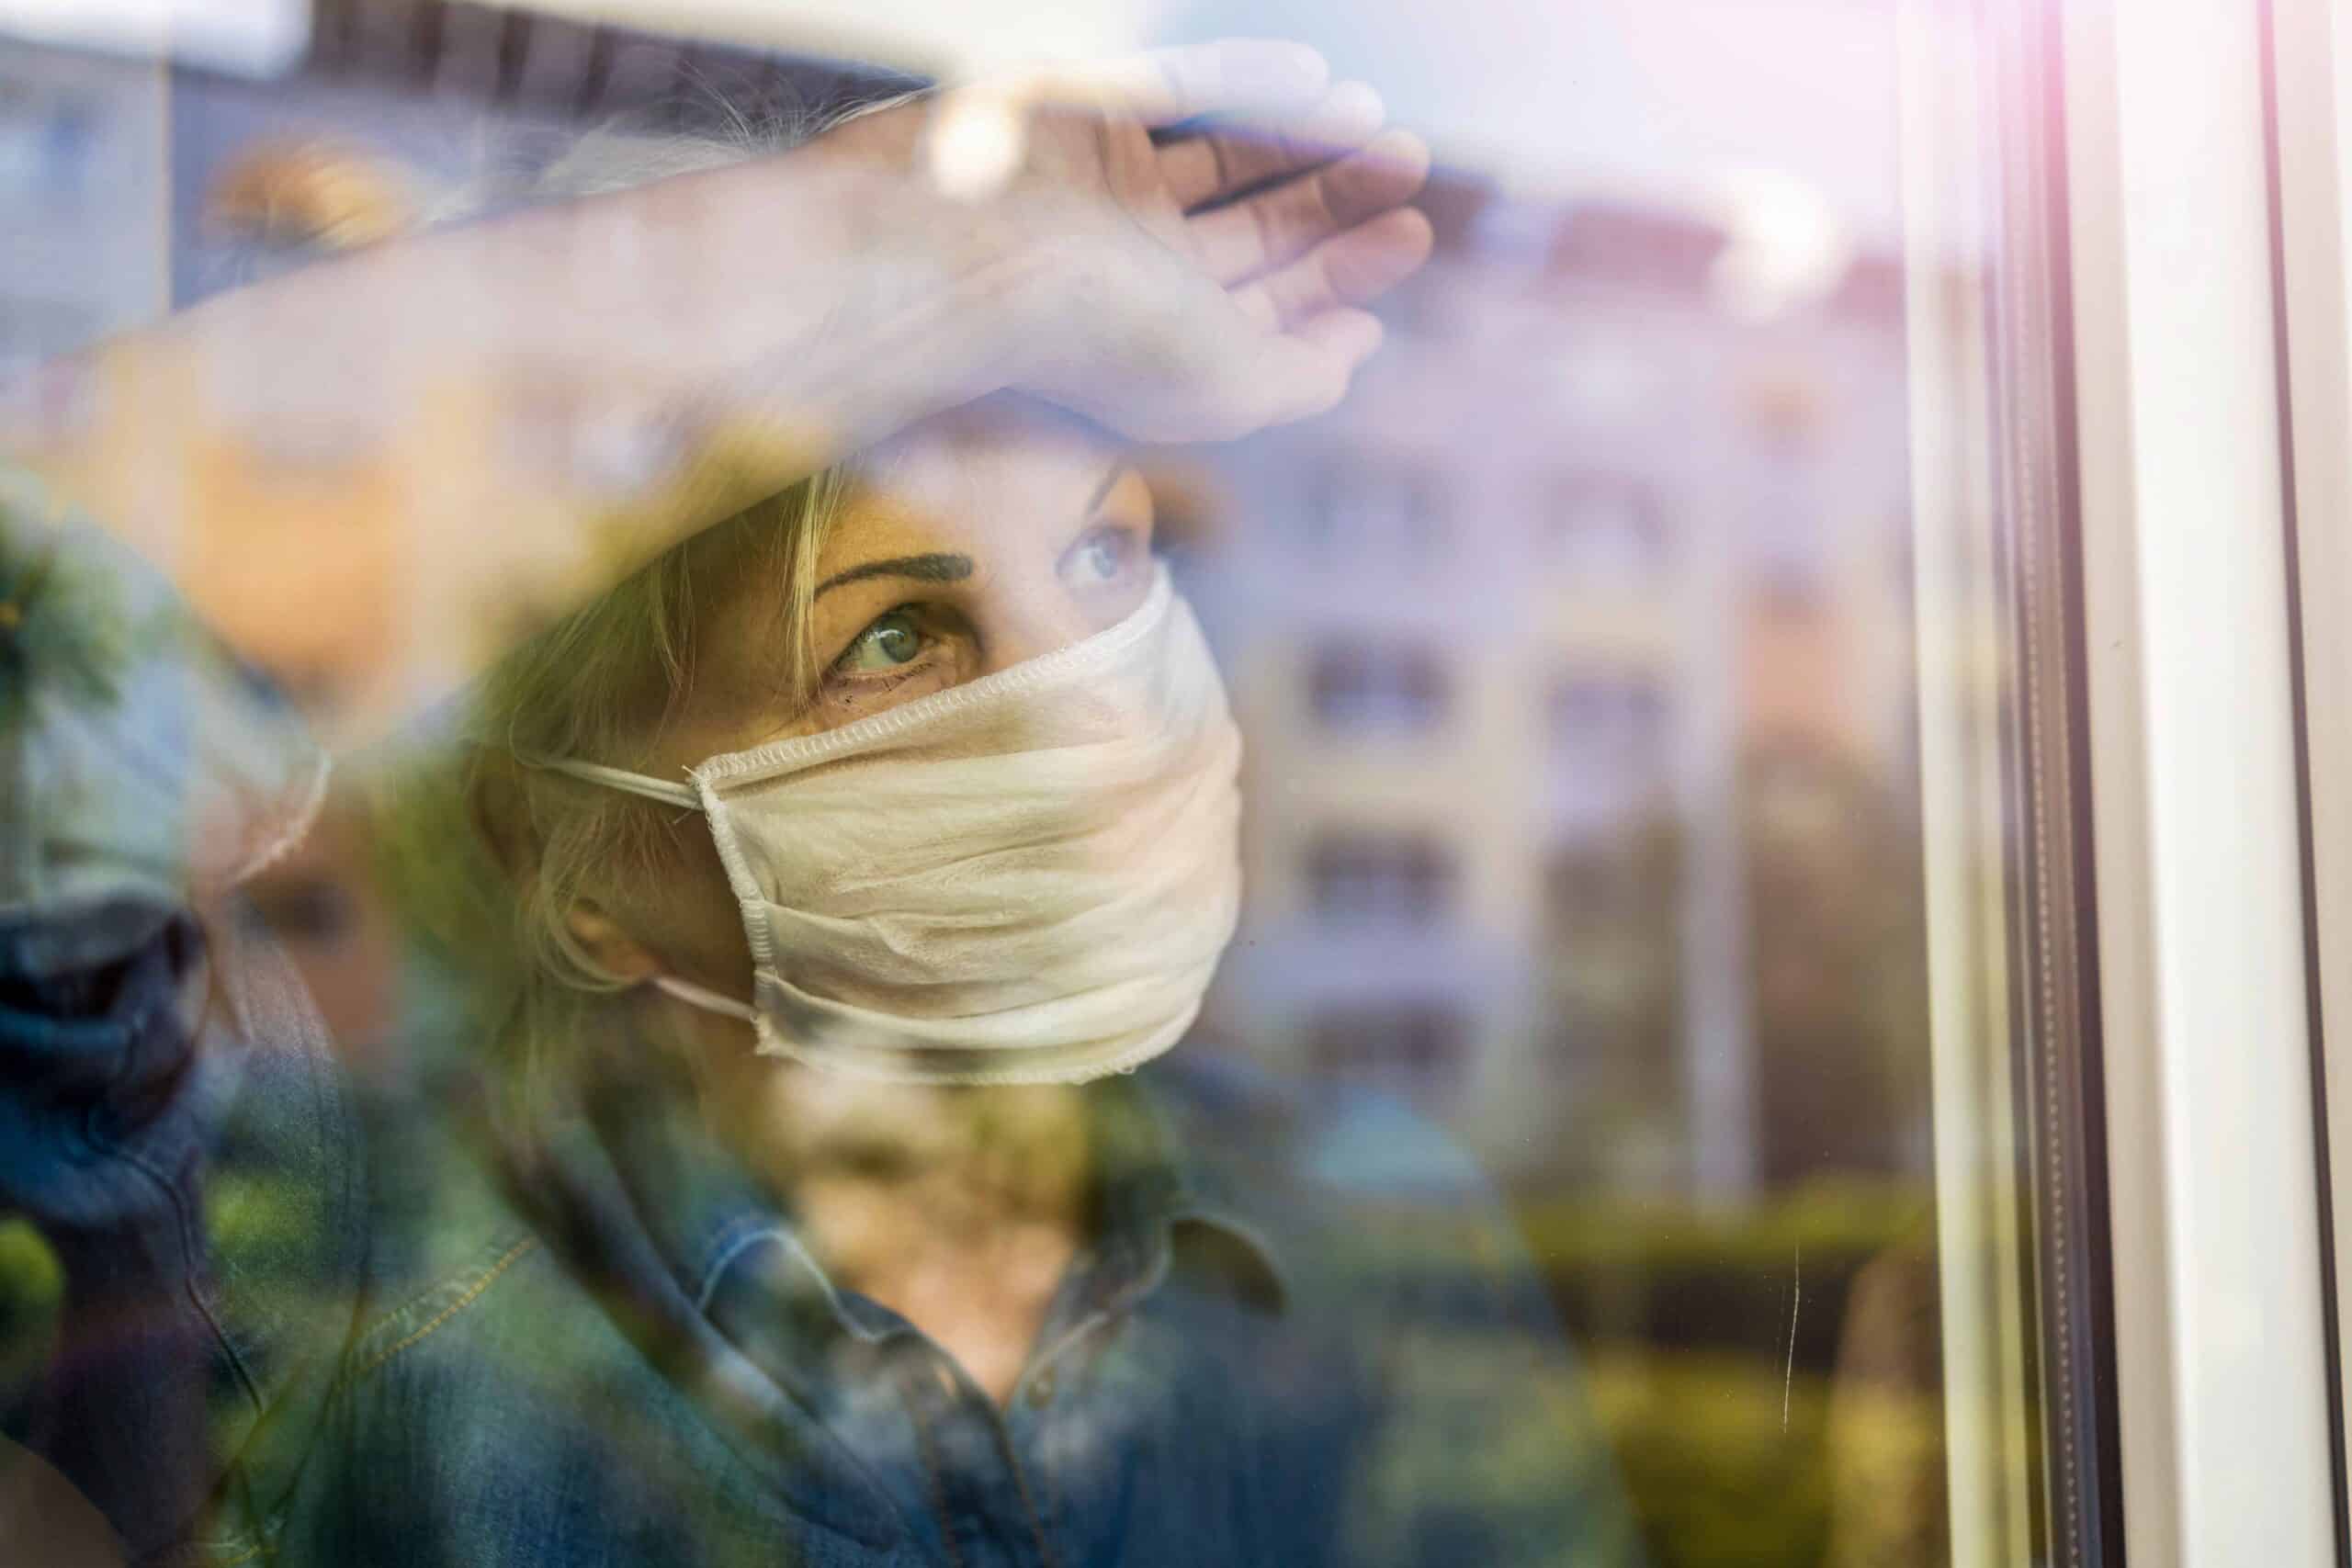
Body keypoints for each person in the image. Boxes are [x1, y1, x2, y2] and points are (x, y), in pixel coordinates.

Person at [0, 40, 1637, 1566]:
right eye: (897, 638)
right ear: (587, 869)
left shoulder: (1368, 1220)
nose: (1084, 709)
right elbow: (48, 631)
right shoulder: (362, 1300)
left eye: (1101, 555)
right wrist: (851, 241)